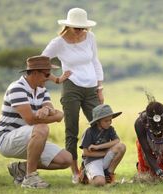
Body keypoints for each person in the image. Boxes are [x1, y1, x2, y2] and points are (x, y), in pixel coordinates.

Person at [41, 7, 104, 183]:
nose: (80, 31)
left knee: (100, 126)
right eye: (76, 27)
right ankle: (75, 172)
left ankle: (94, 167)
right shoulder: (58, 42)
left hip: (92, 88)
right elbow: (41, 61)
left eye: (82, 27)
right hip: (71, 88)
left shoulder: (90, 37)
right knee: (72, 129)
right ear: (68, 26)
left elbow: (95, 61)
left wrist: (100, 88)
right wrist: (56, 79)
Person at [0, 56, 73, 188]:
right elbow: (31, 120)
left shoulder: (42, 90)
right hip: (6, 139)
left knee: (66, 160)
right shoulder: (17, 88)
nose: (49, 77)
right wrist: (58, 116)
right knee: (42, 127)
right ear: (35, 73)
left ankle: (21, 168)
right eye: (47, 74)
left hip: (30, 137)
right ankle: (30, 178)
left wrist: (46, 109)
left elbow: (52, 110)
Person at [79, 104, 126, 186]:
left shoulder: (110, 129)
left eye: (110, 120)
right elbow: (85, 153)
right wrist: (104, 153)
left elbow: (117, 140)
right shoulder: (89, 132)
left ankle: (109, 173)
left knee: (121, 146)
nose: (109, 123)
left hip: (105, 160)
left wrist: (98, 147)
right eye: (106, 121)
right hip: (92, 161)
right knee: (100, 183)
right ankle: (86, 174)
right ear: (98, 121)